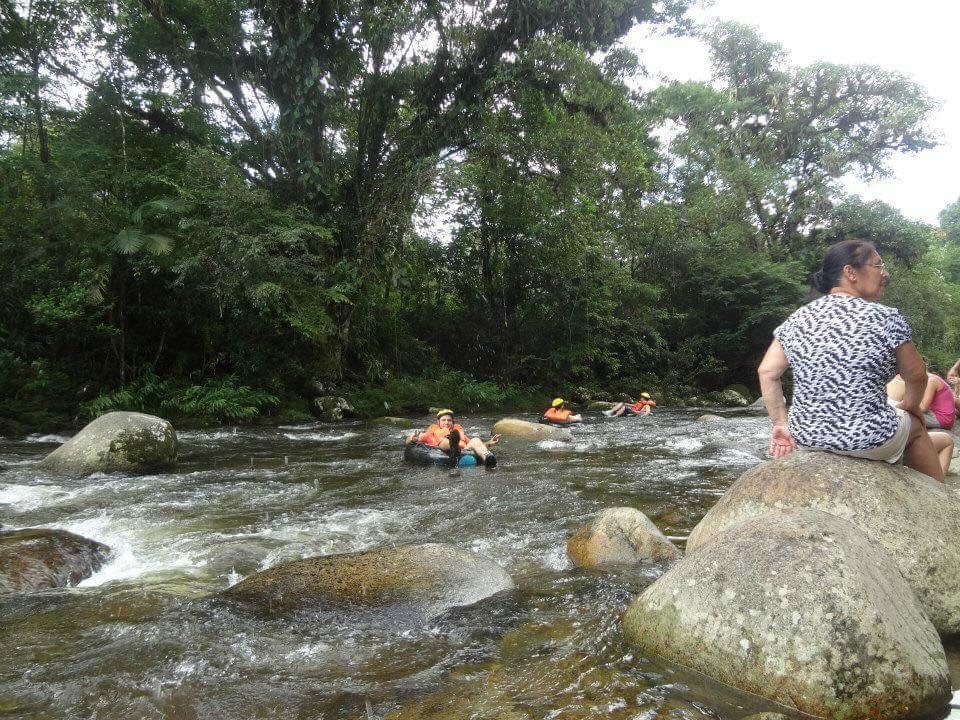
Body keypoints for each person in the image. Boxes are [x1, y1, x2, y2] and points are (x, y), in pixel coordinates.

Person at [757, 238, 945, 482]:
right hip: (868, 439)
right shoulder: (886, 317)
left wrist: (780, 424)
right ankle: (939, 500)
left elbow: (767, 372)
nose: (884, 274)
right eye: (878, 266)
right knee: (917, 428)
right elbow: (917, 374)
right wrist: (911, 408)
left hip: (806, 437)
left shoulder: (798, 319)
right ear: (850, 272)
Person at [406, 409, 500, 467]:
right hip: (442, 451)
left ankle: (488, 458)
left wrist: (489, 443)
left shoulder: (458, 433)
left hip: (463, 451)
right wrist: (412, 438)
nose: (446, 422)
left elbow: (475, 445)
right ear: (438, 422)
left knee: (475, 440)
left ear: (452, 422)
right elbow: (409, 443)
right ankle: (453, 446)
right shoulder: (430, 433)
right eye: (443, 420)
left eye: (449, 420)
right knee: (443, 441)